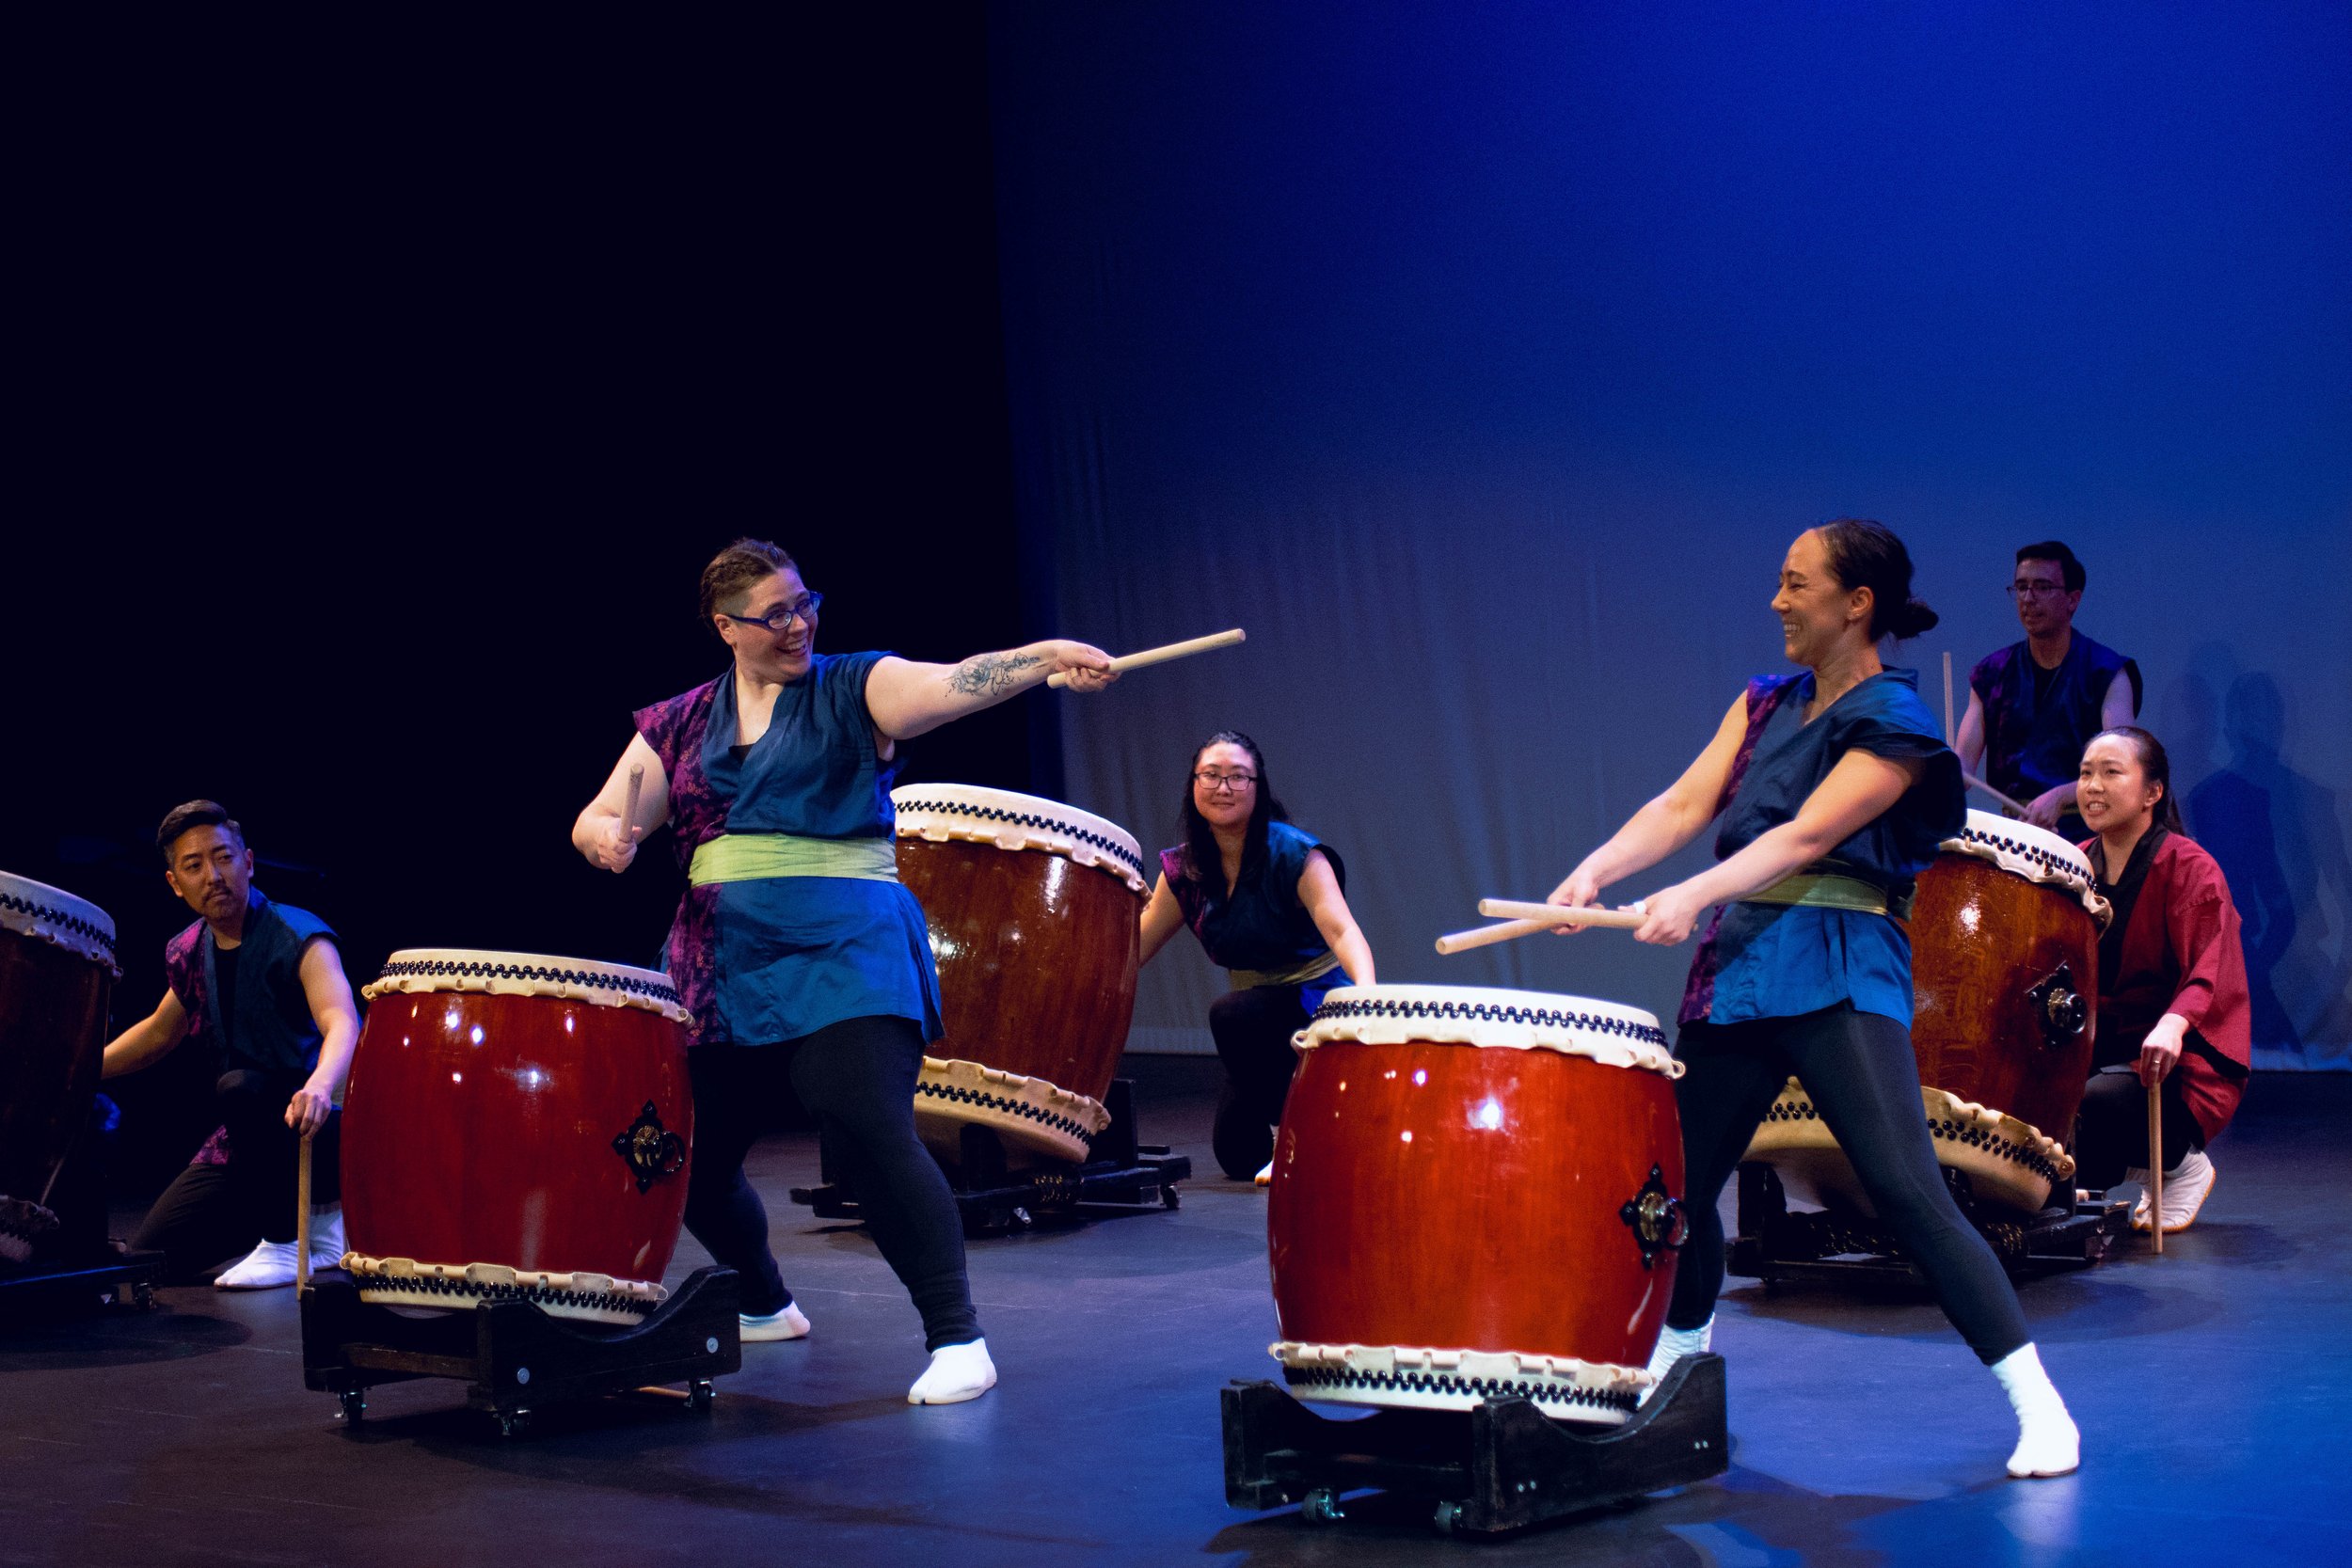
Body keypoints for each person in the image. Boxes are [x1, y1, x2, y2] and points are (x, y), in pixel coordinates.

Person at [1545, 520, 2079, 1479]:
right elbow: (1680, 805)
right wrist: (1595, 870)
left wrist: (1690, 892)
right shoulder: (1763, 702)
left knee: (1908, 1194)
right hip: (1742, 959)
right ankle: (1677, 1369)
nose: (1777, 601)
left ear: (1855, 602)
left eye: (1795, 583)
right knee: (1670, 1189)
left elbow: (1801, 838)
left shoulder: (1898, 725)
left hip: (1835, 959)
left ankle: (2039, 1405)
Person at [572, 538, 1115, 1406]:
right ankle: (762, 1297)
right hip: (719, 964)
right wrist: (604, 836)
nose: (799, 624)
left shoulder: (854, 685)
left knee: (864, 1129)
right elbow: (601, 812)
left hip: (845, 946)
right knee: (680, 1155)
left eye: (804, 603)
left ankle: (958, 1337)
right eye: (775, 613)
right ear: (726, 627)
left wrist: (1045, 658)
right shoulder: (677, 722)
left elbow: (957, 680)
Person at [99, 802, 358, 1287]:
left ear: (249, 862)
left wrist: (321, 1086)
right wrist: (77, 1072)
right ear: (175, 883)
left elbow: (341, 1020)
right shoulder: (189, 949)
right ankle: (282, 1226)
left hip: (323, 1129)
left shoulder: (298, 935)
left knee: (239, 1087)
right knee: (154, 1259)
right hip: (253, 1140)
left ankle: (289, 1240)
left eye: (224, 858)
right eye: (194, 866)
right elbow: (158, 1032)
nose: (213, 876)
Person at [1136, 732, 1376, 1181]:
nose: (1223, 787)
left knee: (1231, 1014)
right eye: (1211, 775)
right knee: (1238, 1156)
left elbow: (1343, 930)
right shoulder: (1185, 870)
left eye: (1237, 777)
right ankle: (1306, 1125)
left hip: (1315, 1002)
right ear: (1193, 784)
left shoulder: (1296, 854)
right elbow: (1135, 950)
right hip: (1258, 1021)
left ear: (1258, 787)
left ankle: (1295, 1133)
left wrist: (1366, 999)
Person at [2074, 726, 2250, 1232]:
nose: (2093, 786)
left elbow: (2209, 966)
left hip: (2179, 1057)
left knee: (2099, 1103)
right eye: (2086, 773)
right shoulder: (2073, 863)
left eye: (2111, 772)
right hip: (2101, 1047)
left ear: (2153, 793)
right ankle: (2139, 1164)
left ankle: (2180, 1163)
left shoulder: (2190, 867)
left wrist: (2174, 1023)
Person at [1957, 541, 2139, 838]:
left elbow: (2119, 765)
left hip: (2087, 832)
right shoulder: (1991, 674)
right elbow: (1962, 766)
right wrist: (1949, 771)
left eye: (2042, 587)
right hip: (2015, 833)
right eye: (2021, 587)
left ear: (2073, 599)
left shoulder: (2107, 673)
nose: (2028, 598)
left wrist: (2061, 796)